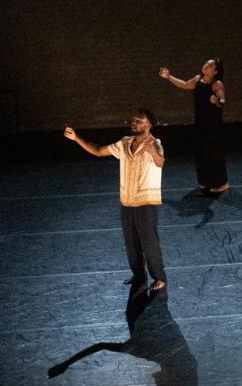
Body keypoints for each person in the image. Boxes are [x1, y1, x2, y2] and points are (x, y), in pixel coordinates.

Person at [64, 109, 168, 293]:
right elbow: (98, 151)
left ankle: (159, 278)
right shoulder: (124, 143)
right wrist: (76, 138)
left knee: (149, 242)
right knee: (131, 243)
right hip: (127, 201)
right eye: (133, 120)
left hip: (146, 203)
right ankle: (139, 275)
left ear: (149, 124)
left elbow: (160, 162)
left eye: (139, 120)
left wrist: (153, 153)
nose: (134, 123)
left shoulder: (155, 143)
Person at [159, 59, 229, 194]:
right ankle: (205, 181)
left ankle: (222, 183)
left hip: (213, 125)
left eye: (210, 66)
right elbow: (185, 84)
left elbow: (222, 101)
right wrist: (168, 77)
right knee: (201, 152)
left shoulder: (217, 84)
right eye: (206, 63)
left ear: (215, 72)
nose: (206, 66)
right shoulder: (197, 79)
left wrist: (216, 101)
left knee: (214, 153)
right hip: (200, 123)